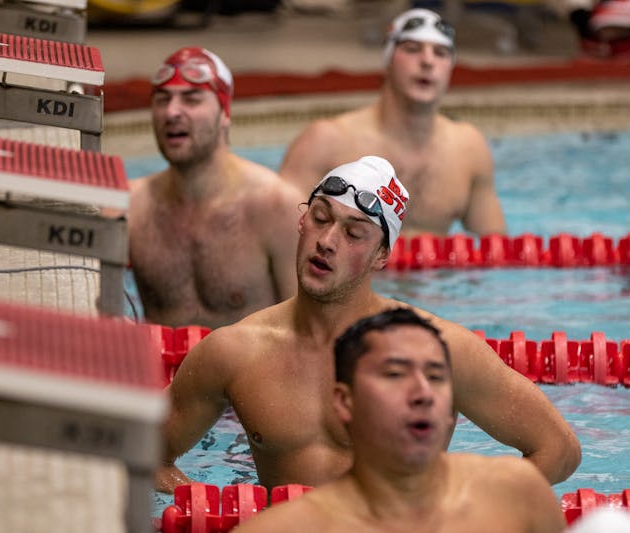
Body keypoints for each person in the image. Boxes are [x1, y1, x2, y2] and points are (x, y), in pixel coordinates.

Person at [158, 155, 579, 492]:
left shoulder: (439, 350)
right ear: (301, 220)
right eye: (321, 217)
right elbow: (144, 453)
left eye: (355, 233)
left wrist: (470, 514)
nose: (327, 241)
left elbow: (557, 449)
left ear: (381, 257)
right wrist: (205, 509)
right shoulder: (233, 353)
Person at [233, 308, 567, 533]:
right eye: (395, 375)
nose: (422, 393)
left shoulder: (519, 498)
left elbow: (559, 448)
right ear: (345, 402)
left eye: (436, 377)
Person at [278, 8, 507, 238]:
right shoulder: (326, 141)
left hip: (440, 275)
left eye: (440, 53)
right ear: (388, 59)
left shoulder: (469, 148)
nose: (427, 61)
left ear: (451, 68)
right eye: (412, 49)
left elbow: (496, 247)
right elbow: (282, 234)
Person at [128, 46, 303, 329]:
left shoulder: (276, 205)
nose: (171, 112)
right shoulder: (131, 205)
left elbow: (307, 333)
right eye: (162, 99)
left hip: (249, 373)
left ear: (225, 113)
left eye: (191, 99)